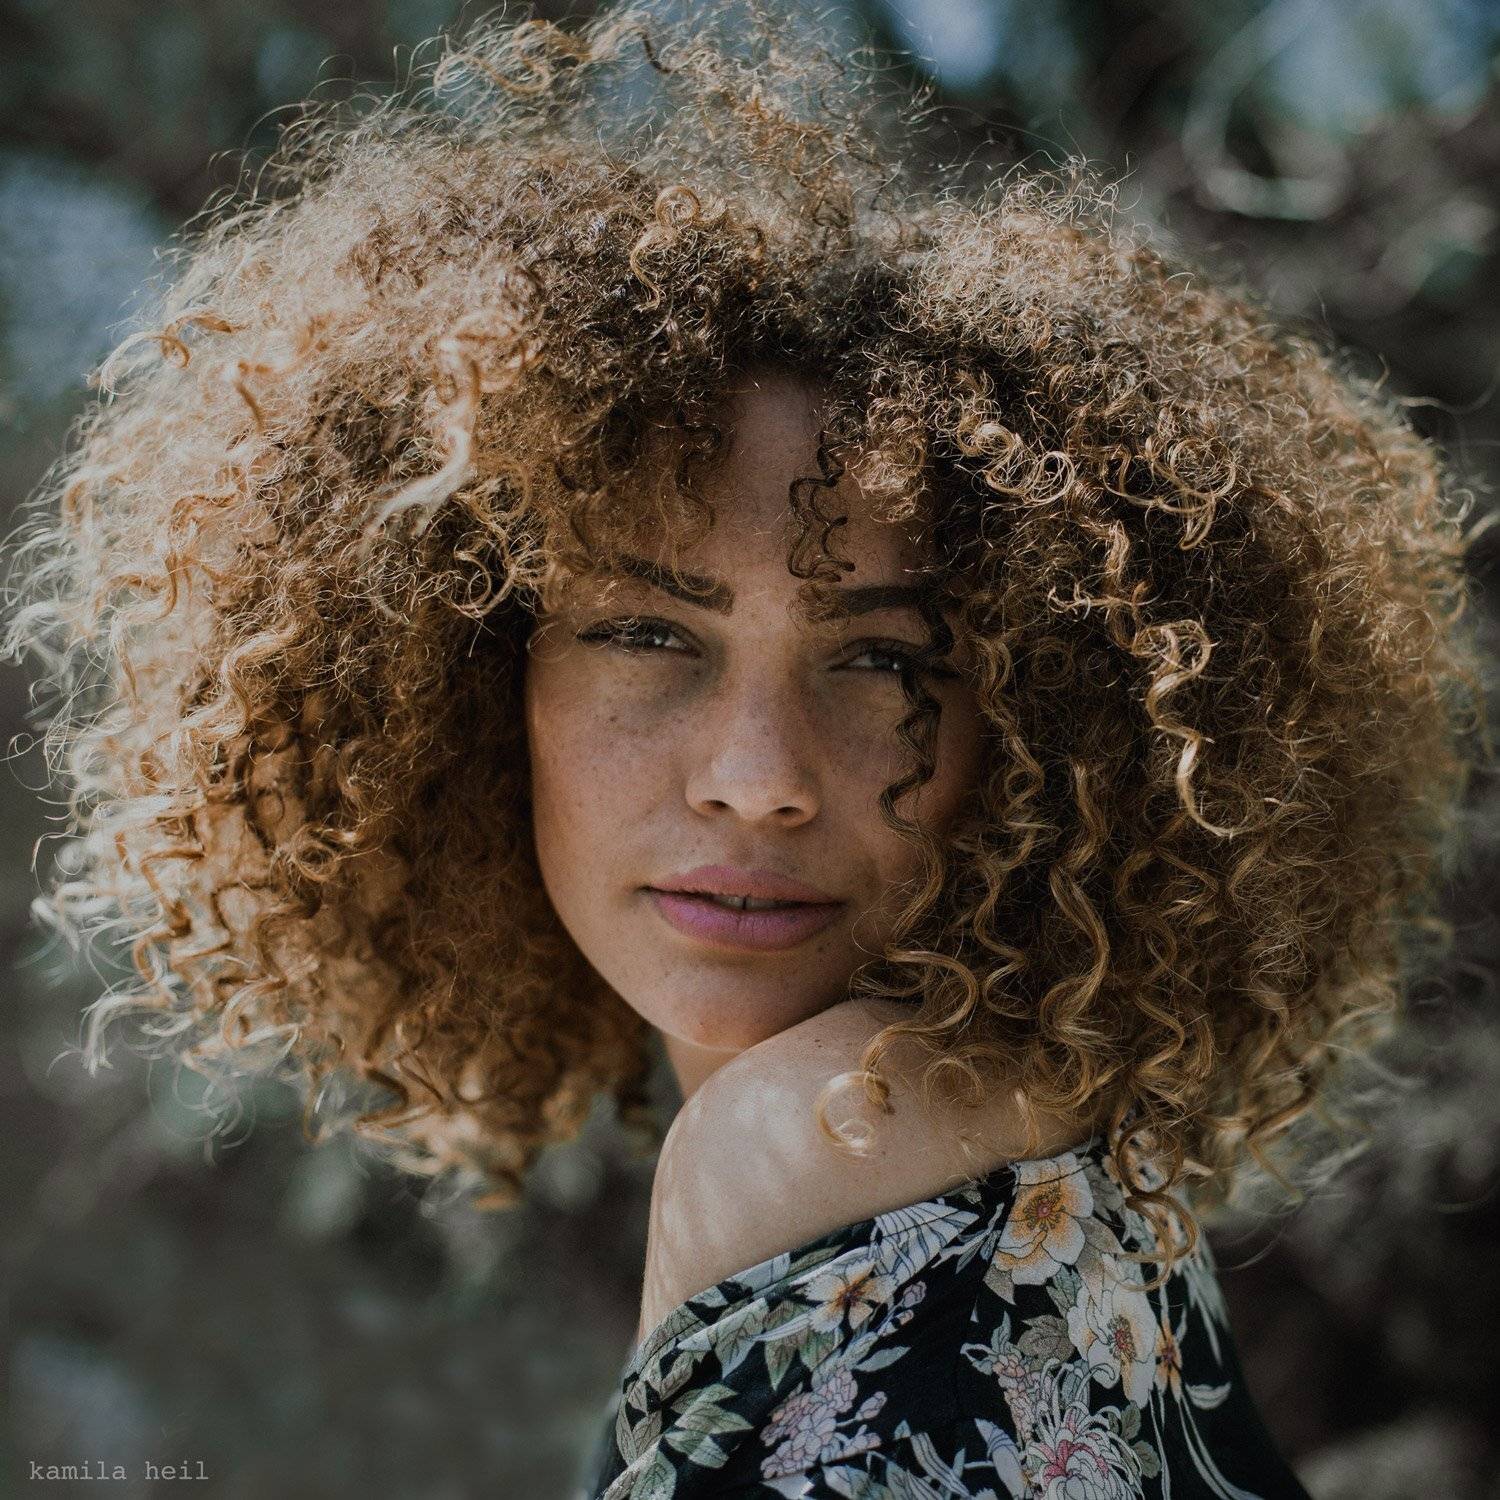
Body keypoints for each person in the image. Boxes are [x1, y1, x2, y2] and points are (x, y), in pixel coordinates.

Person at [1, 4, 1485, 1497]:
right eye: (649, 635)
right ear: (462, 682)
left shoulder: (853, 1205)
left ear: (1045, 725)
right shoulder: (1000, 1216)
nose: (758, 772)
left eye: (887, 658)